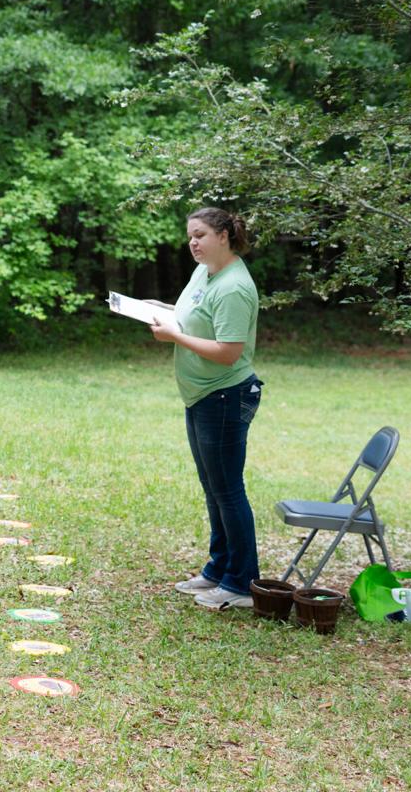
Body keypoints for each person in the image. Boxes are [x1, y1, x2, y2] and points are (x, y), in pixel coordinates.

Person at [150, 208, 263, 611]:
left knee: (228, 490)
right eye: (190, 236)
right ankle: (218, 569)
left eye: (200, 235)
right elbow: (194, 316)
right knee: (214, 488)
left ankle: (242, 582)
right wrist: (157, 311)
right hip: (202, 395)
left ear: (224, 236)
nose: (193, 243)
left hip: (225, 395)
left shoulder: (233, 286)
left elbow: (229, 352)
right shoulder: (205, 273)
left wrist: (175, 337)